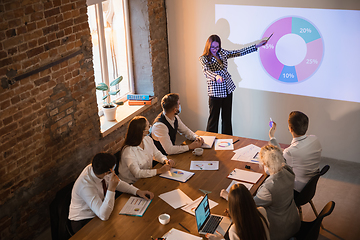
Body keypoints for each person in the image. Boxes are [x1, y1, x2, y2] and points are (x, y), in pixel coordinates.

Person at [68, 152, 154, 233]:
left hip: (99, 210)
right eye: (113, 168)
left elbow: (118, 182)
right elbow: (104, 216)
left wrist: (138, 191)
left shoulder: (98, 170)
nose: (114, 171)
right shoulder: (85, 186)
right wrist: (111, 189)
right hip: (84, 220)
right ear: (107, 172)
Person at [199, 34, 267, 135]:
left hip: (228, 89)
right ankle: (209, 142)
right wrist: (216, 77)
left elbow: (238, 52)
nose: (215, 49)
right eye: (212, 47)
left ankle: (227, 142)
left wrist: (256, 46)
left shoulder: (222, 52)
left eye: (217, 47)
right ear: (208, 46)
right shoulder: (204, 58)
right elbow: (206, 71)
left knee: (227, 119)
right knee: (213, 120)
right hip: (215, 93)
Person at [269, 111, 322, 193]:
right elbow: (284, 156)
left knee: (268, 184)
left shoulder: (291, 152)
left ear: (290, 128)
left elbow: (275, 169)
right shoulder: (315, 139)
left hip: (296, 191)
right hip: (309, 189)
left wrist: (272, 136)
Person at [117, 116, 176, 184]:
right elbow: (137, 173)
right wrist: (159, 171)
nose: (150, 127)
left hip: (146, 178)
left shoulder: (147, 139)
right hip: (131, 184)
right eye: (148, 126)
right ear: (142, 131)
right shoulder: (128, 151)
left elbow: (156, 154)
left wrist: (165, 160)